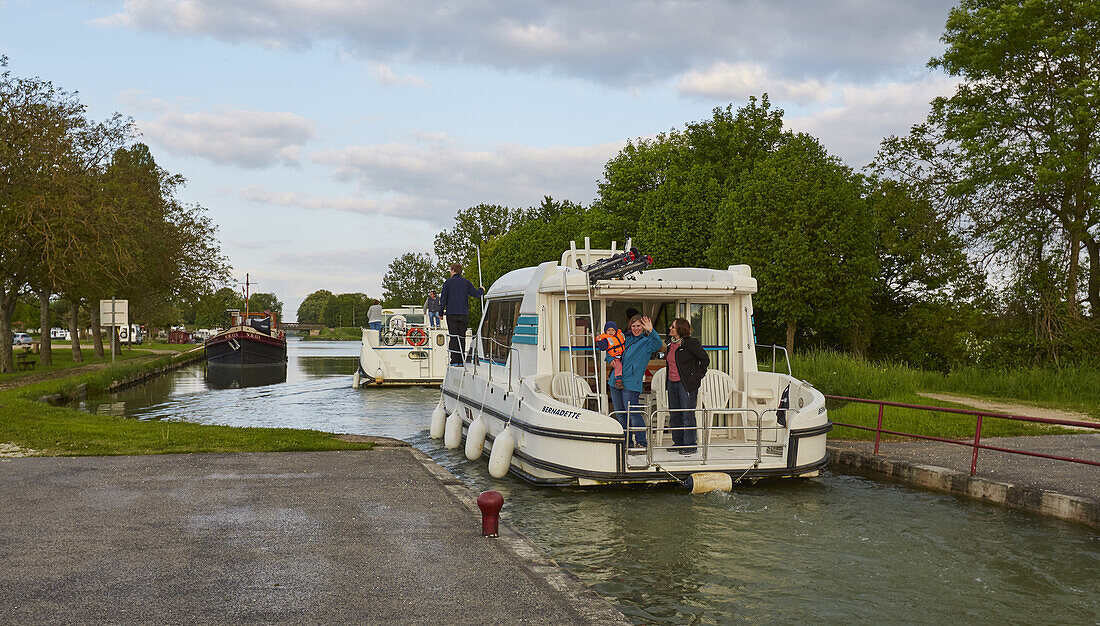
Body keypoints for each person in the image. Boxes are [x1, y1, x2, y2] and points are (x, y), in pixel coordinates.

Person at [609, 314, 662, 449]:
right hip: (615, 380)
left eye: (639, 325)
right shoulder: (624, 339)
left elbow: (658, 344)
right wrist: (610, 360)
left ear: (643, 327)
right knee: (621, 415)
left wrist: (651, 331)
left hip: (631, 383)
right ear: (630, 327)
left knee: (633, 414)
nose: (636, 328)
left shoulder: (647, 342)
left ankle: (642, 443)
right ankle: (626, 443)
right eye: (633, 326)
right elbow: (611, 351)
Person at [665, 317, 709, 454]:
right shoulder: (670, 343)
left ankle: (690, 444)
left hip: (686, 384)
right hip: (671, 383)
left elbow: (705, 360)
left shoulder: (691, 343)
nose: (670, 329)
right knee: (674, 414)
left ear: (680, 329)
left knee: (687, 414)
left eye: (673, 327)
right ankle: (678, 442)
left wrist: (696, 376)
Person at [440, 262, 484, 365]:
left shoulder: (447, 283)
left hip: (451, 313)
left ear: (453, 271)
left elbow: (443, 299)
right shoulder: (466, 282)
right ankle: (461, 360)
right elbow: (475, 294)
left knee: (454, 337)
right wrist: (481, 290)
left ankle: (454, 360)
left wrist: (441, 312)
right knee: (462, 337)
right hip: (463, 314)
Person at [594, 321, 626, 387]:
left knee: (620, 368)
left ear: (616, 331)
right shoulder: (606, 339)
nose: (611, 332)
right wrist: (600, 341)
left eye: (613, 330)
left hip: (622, 356)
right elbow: (603, 348)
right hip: (615, 358)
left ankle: (611, 376)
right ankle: (618, 380)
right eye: (608, 330)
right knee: (618, 366)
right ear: (605, 331)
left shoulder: (620, 335)